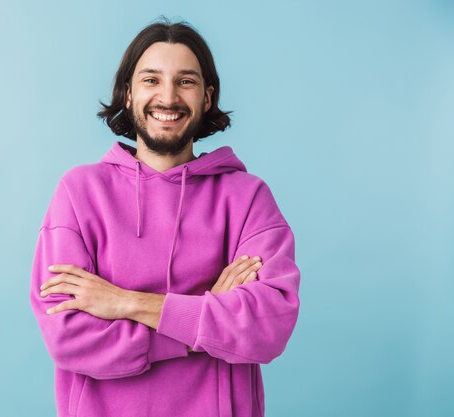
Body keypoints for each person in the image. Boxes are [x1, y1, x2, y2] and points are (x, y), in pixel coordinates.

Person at [30, 18, 300, 417]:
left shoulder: (248, 197)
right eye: (151, 80)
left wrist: (125, 303)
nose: (168, 97)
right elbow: (68, 336)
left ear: (207, 98)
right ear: (127, 93)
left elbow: (267, 326)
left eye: (185, 81)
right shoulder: (79, 192)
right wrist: (202, 323)